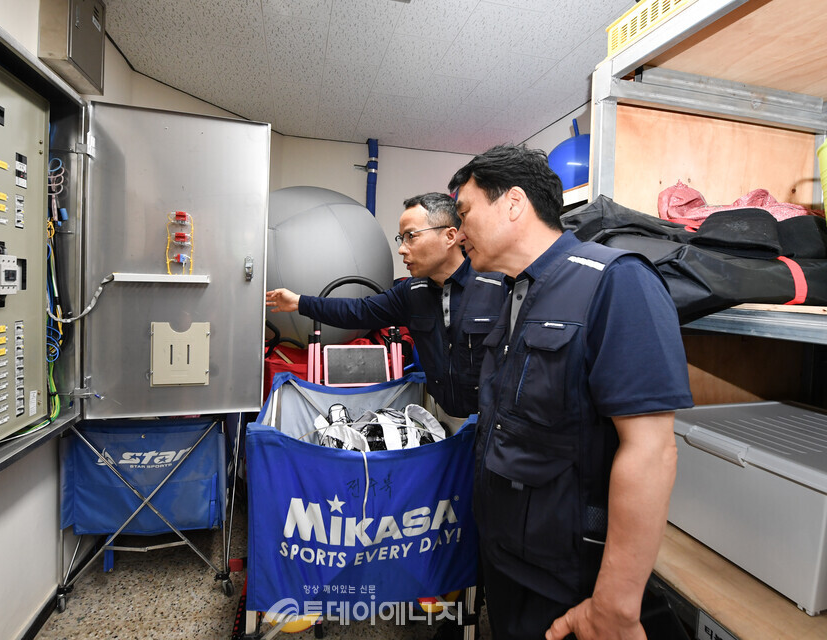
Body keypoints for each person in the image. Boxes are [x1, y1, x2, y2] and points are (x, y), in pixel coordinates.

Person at [447, 145, 693, 640]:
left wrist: (615, 608)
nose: (457, 231)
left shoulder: (616, 281)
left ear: (513, 203)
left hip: (570, 581)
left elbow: (652, 450)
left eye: (465, 212)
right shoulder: (512, 290)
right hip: (509, 563)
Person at [265, 192, 504, 420]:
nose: (402, 249)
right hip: (443, 417)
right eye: (402, 238)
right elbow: (358, 312)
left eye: (412, 236)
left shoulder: (498, 287)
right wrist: (299, 302)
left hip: (492, 420)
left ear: (450, 236)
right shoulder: (412, 292)